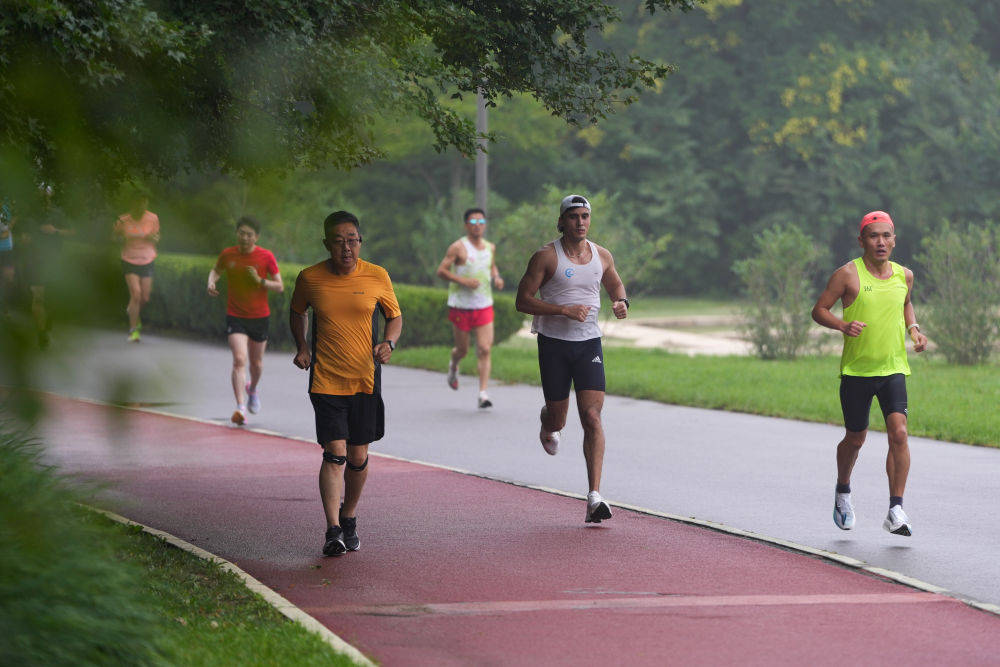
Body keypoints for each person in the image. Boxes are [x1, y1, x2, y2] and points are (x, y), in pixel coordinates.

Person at [290, 211, 402, 556]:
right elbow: (297, 312)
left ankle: (349, 515)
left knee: (358, 455)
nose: (346, 248)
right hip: (325, 379)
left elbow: (394, 316)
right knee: (335, 453)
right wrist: (303, 346)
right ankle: (333, 530)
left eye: (352, 240)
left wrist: (389, 343)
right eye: (338, 242)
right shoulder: (310, 278)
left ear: (360, 242)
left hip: (365, 379)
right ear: (327, 244)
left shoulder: (377, 275)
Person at [812, 210, 928, 536]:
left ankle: (895, 509)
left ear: (894, 239)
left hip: (893, 368)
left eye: (886, 236)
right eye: (874, 236)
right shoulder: (847, 275)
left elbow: (905, 302)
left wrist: (914, 329)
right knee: (856, 437)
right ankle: (843, 490)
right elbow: (819, 310)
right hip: (857, 372)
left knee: (900, 433)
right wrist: (842, 324)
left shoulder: (904, 275)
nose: (880, 242)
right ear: (861, 240)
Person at [514, 194, 628, 523]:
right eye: (574, 216)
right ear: (562, 221)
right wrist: (562, 309)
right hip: (554, 345)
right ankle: (547, 422)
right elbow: (522, 300)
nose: (580, 222)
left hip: (589, 343)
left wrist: (621, 302)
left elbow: (615, 284)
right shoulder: (546, 257)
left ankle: (594, 497)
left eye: (585, 216)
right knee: (559, 419)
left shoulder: (601, 255)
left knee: (592, 417)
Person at [208, 216, 283, 426]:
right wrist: (211, 282)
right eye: (241, 233)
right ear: (237, 233)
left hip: (260, 317)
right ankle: (240, 407)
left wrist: (259, 281)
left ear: (256, 237)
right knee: (239, 360)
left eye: (249, 234)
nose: (245, 237)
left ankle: (252, 389)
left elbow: (279, 286)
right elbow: (216, 270)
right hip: (236, 315)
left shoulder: (266, 256)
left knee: (256, 364)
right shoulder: (228, 254)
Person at [435, 207, 504, 408]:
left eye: (481, 222)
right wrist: (463, 281)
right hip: (461, 306)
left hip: (483, 305)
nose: (478, 226)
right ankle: (454, 364)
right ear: (466, 225)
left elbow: (491, 266)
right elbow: (441, 271)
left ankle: (483, 393)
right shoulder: (458, 247)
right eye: (473, 222)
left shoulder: (490, 247)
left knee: (484, 348)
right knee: (462, 350)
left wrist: (496, 277)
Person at [19, 183, 72, 348]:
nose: (44, 194)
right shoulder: (30, 214)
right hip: (35, 260)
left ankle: (48, 320)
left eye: (47, 191)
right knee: (38, 297)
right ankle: (42, 334)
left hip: (54, 261)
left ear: (52, 193)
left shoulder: (58, 212)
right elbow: (23, 237)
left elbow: (72, 231)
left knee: (53, 299)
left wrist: (55, 231)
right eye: (41, 191)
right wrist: (27, 238)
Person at [113, 191, 160, 342]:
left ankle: (133, 311)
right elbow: (114, 237)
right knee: (136, 293)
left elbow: (157, 236)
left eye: (144, 202)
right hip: (129, 258)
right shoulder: (122, 219)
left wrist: (154, 238)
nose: (142, 206)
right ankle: (134, 331)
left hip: (147, 258)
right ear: (132, 204)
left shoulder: (153, 218)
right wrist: (121, 238)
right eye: (139, 202)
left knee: (144, 297)